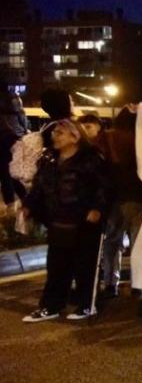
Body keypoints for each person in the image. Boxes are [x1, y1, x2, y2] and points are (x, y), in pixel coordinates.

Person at [21, 119, 113, 322]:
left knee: (84, 267)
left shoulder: (91, 159)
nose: (55, 136)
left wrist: (97, 209)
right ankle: (51, 306)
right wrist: (29, 205)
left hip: (84, 222)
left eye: (60, 132)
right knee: (56, 267)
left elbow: (103, 187)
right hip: (57, 221)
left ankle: (87, 304)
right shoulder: (49, 160)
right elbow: (38, 186)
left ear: (75, 136)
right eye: (54, 132)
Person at [97, 105, 142, 297]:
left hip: (113, 197)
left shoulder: (107, 137)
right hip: (138, 196)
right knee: (138, 243)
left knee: (112, 242)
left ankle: (110, 281)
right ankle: (139, 283)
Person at [0, 84, 28, 205]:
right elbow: (22, 119)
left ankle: (10, 202)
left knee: (4, 173)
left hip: (2, 139)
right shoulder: (14, 98)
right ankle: (24, 198)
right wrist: (24, 131)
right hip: (14, 139)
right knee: (11, 172)